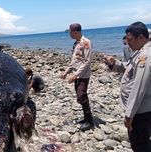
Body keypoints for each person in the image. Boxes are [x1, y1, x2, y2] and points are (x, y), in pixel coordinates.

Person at [104, 21, 151, 152]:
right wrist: (114, 64)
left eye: (130, 40)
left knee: (140, 144)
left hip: (140, 111)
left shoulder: (145, 56)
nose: (127, 43)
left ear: (141, 37)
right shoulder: (139, 51)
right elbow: (129, 68)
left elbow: (139, 87)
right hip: (140, 109)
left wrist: (129, 116)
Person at [60, 23, 94, 131]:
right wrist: (66, 72)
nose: (69, 34)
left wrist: (75, 75)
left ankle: (90, 121)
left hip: (83, 75)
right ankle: (86, 118)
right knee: (81, 96)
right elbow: (74, 61)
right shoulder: (76, 44)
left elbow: (87, 62)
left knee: (81, 96)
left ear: (75, 32)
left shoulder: (86, 42)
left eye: (69, 32)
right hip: (77, 74)